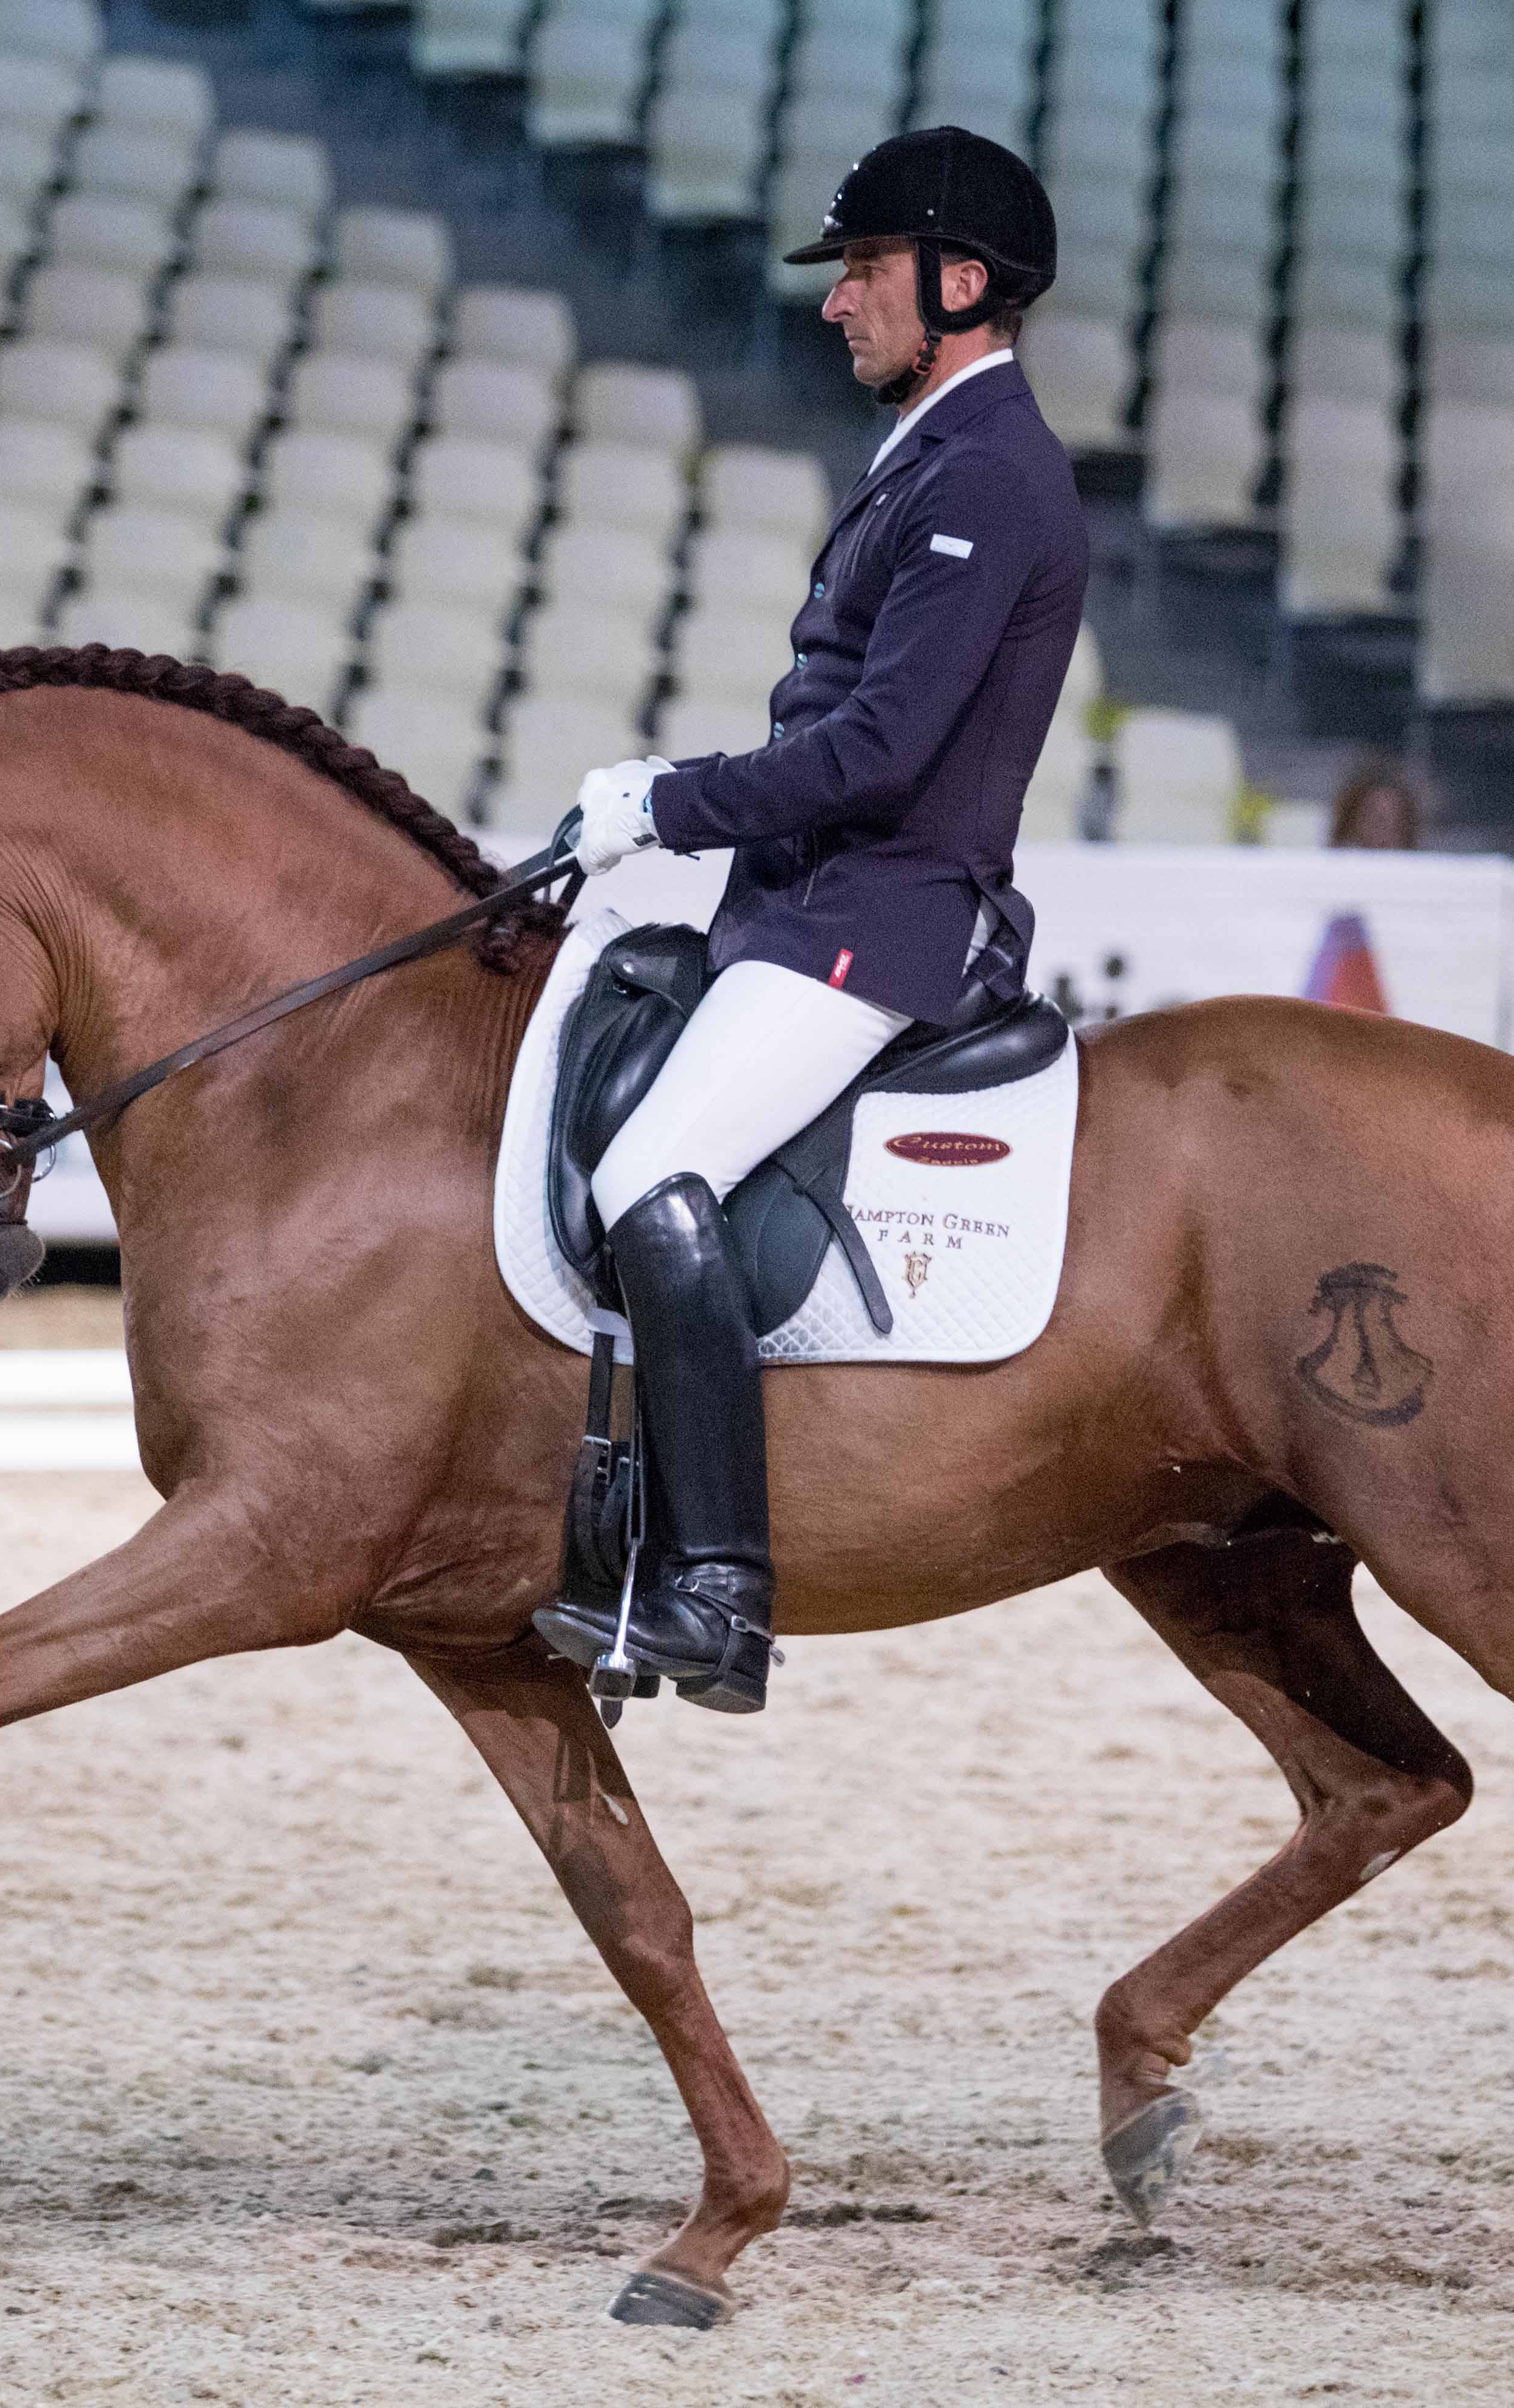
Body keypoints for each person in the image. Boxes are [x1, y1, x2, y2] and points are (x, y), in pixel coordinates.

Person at [529, 127, 1088, 1716]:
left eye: (861, 269)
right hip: (806, 901)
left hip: (879, 916)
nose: (837, 301)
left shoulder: (987, 471)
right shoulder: (927, 451)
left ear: (958, 282)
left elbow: (878, 751)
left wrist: (665, 798)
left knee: (654, 1165)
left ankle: (715, 1584)